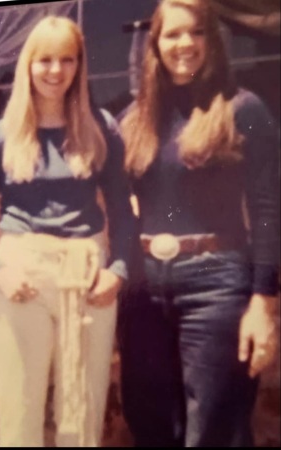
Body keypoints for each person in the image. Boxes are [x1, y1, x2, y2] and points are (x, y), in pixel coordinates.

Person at [0, 16, 134, 447]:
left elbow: (123, 212)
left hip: (86, 278)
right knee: (20, 410)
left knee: (82, 410)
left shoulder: (101, 128)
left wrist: (119, 269)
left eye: (67, 60)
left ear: (79, 66)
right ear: (28, 65)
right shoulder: (2, 136)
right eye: (45, 60)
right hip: (23, 277)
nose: (56, 71)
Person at [118, 0, 280, 447]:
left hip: (217, 284)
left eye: (196, 32)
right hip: (143, 291)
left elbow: (268, 211)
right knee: (147, 419)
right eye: (172, 34)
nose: (184, 43)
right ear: (155, 44)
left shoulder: (243, 109)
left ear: (213, 39)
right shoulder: (135, 119)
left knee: (211, 429)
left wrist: (264, 305)